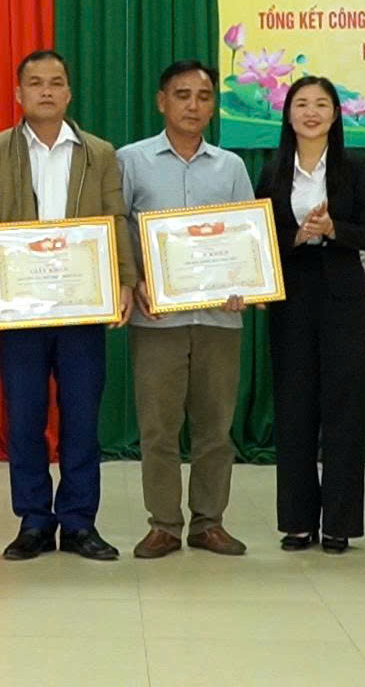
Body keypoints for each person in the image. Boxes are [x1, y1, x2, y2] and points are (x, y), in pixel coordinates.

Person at [0, 49, 136, 563]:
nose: (46, 91)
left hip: (82, 306)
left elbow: (116, 217)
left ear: (69, 93)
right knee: (24, 419)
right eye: (35, 82)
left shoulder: (98, 152)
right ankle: (34, 521)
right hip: (20, 309)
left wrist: (125, 280)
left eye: (56, 82)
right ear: (18, 93)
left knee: (82, 418)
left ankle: (79, 522)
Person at [118, 60, 255, 558]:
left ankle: (208, 523)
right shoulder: (131, 160)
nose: (193, 105)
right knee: (158, 428)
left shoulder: (231, 166)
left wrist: (246, 282)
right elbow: (118, 229)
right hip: (157, 319)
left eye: (203, 96)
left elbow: (247, 234)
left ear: (214, 105)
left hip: (220, 317)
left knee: (215, 428)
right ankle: (163, 524)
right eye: (182, 95)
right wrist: (133, 281)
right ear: (162, 101)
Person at [254, 76, 365, 554]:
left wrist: (332, 229)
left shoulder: (354, 168)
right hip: (292, 297)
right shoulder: (272, 170)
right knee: (294, 407)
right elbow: (258, 236)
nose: (311, 112)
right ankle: (298, 522)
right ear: (288, 114)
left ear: (335, 114)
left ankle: (339, 523)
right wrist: (297, 236)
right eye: (301, 104)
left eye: (321, 104)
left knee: (345, 409)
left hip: (343, 298)